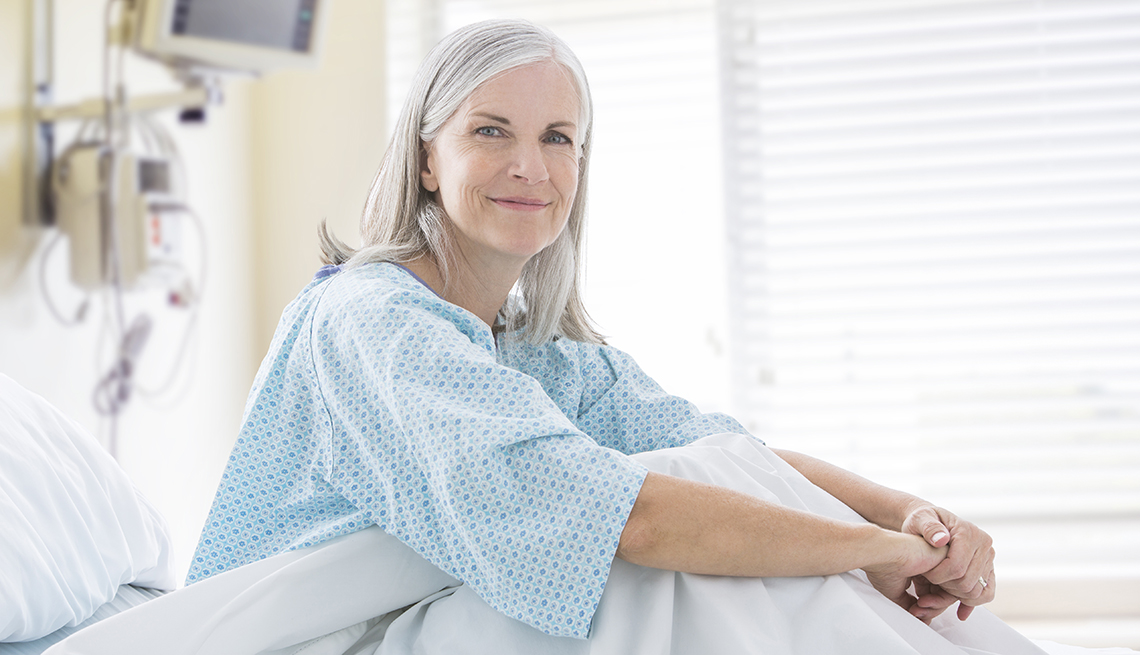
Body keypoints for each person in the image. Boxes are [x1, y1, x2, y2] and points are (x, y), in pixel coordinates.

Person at [187, 18, 1016, 651]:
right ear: (428, 160)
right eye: (491, 130)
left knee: (715, 485)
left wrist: (912, 517)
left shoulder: (538, 355)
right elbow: (626, 520)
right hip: (317, 638)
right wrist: (873, 549)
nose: (531, 166)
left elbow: (734, 454)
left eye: (558, 138)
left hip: (411, 617)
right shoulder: (370, 321)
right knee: (657, 570)